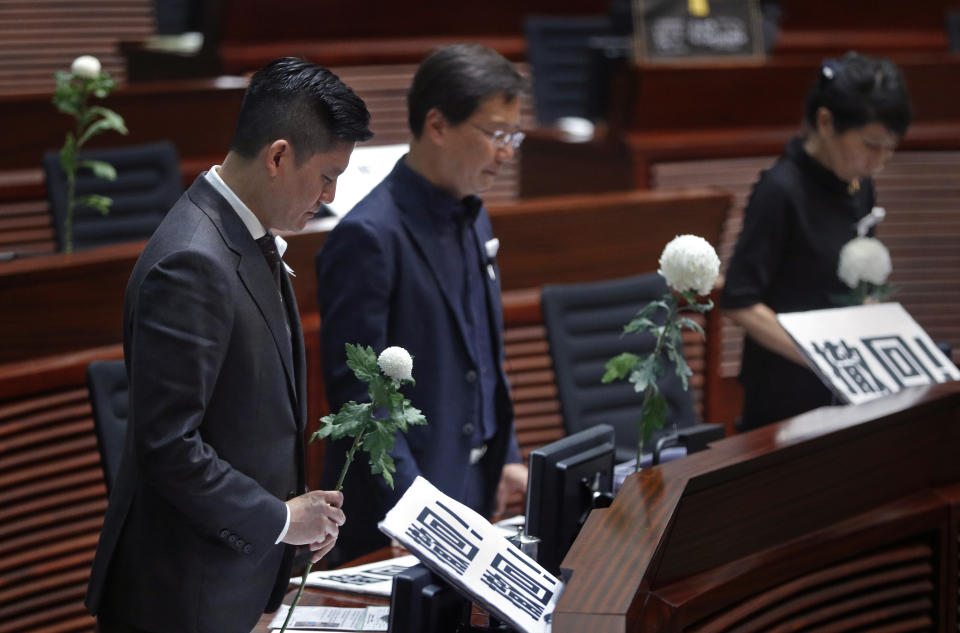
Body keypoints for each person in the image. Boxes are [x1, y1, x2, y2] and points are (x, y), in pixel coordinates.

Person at [85, 57, 373, 633]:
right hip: (184, 598)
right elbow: (168, 447)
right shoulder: (193, 260)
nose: (332, 194)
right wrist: (280, 519)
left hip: (234, 580)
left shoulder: (244, 234)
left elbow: (248, 418)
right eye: (326, 175)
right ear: (278, 156)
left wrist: (295, 519)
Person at [316, 44, 529, 564]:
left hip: (473, 491)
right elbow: (363, 401)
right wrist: (418, 512)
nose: (506, 152)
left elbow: (483, 354)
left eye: (512, 137)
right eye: (495, 134)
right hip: (401, 515)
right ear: (437, 125)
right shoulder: (368, 236)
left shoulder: (473, 214)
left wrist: (505, 455)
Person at [721, 51, 912, 430]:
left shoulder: (859, 186)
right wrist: (824, 358)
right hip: (784, 396)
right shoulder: (780, 190)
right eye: (872, 145)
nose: (881, 160)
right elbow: (739, 301)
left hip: (843, 389)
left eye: (890, 148)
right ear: (826, 122)